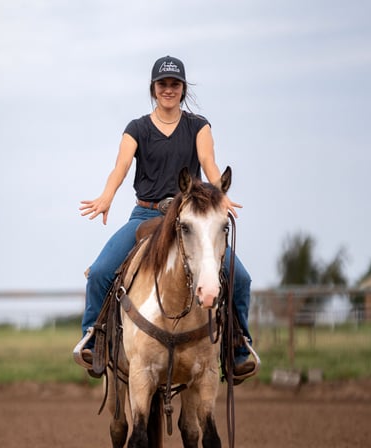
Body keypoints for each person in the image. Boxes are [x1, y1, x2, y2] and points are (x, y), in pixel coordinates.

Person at [76, 55, 256, 381]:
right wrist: (106, 196)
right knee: (101, 271)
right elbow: (121, 166)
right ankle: (94, 338)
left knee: (239, 277)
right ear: (153, 88)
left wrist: (219, 193)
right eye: (163, 84)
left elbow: (208, 161)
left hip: (190, 216)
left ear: (183, 89)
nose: (168, 90)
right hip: (146, 213)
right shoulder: (137, 128)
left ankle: (238, 347)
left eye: (175, 84)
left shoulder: (198, 126)